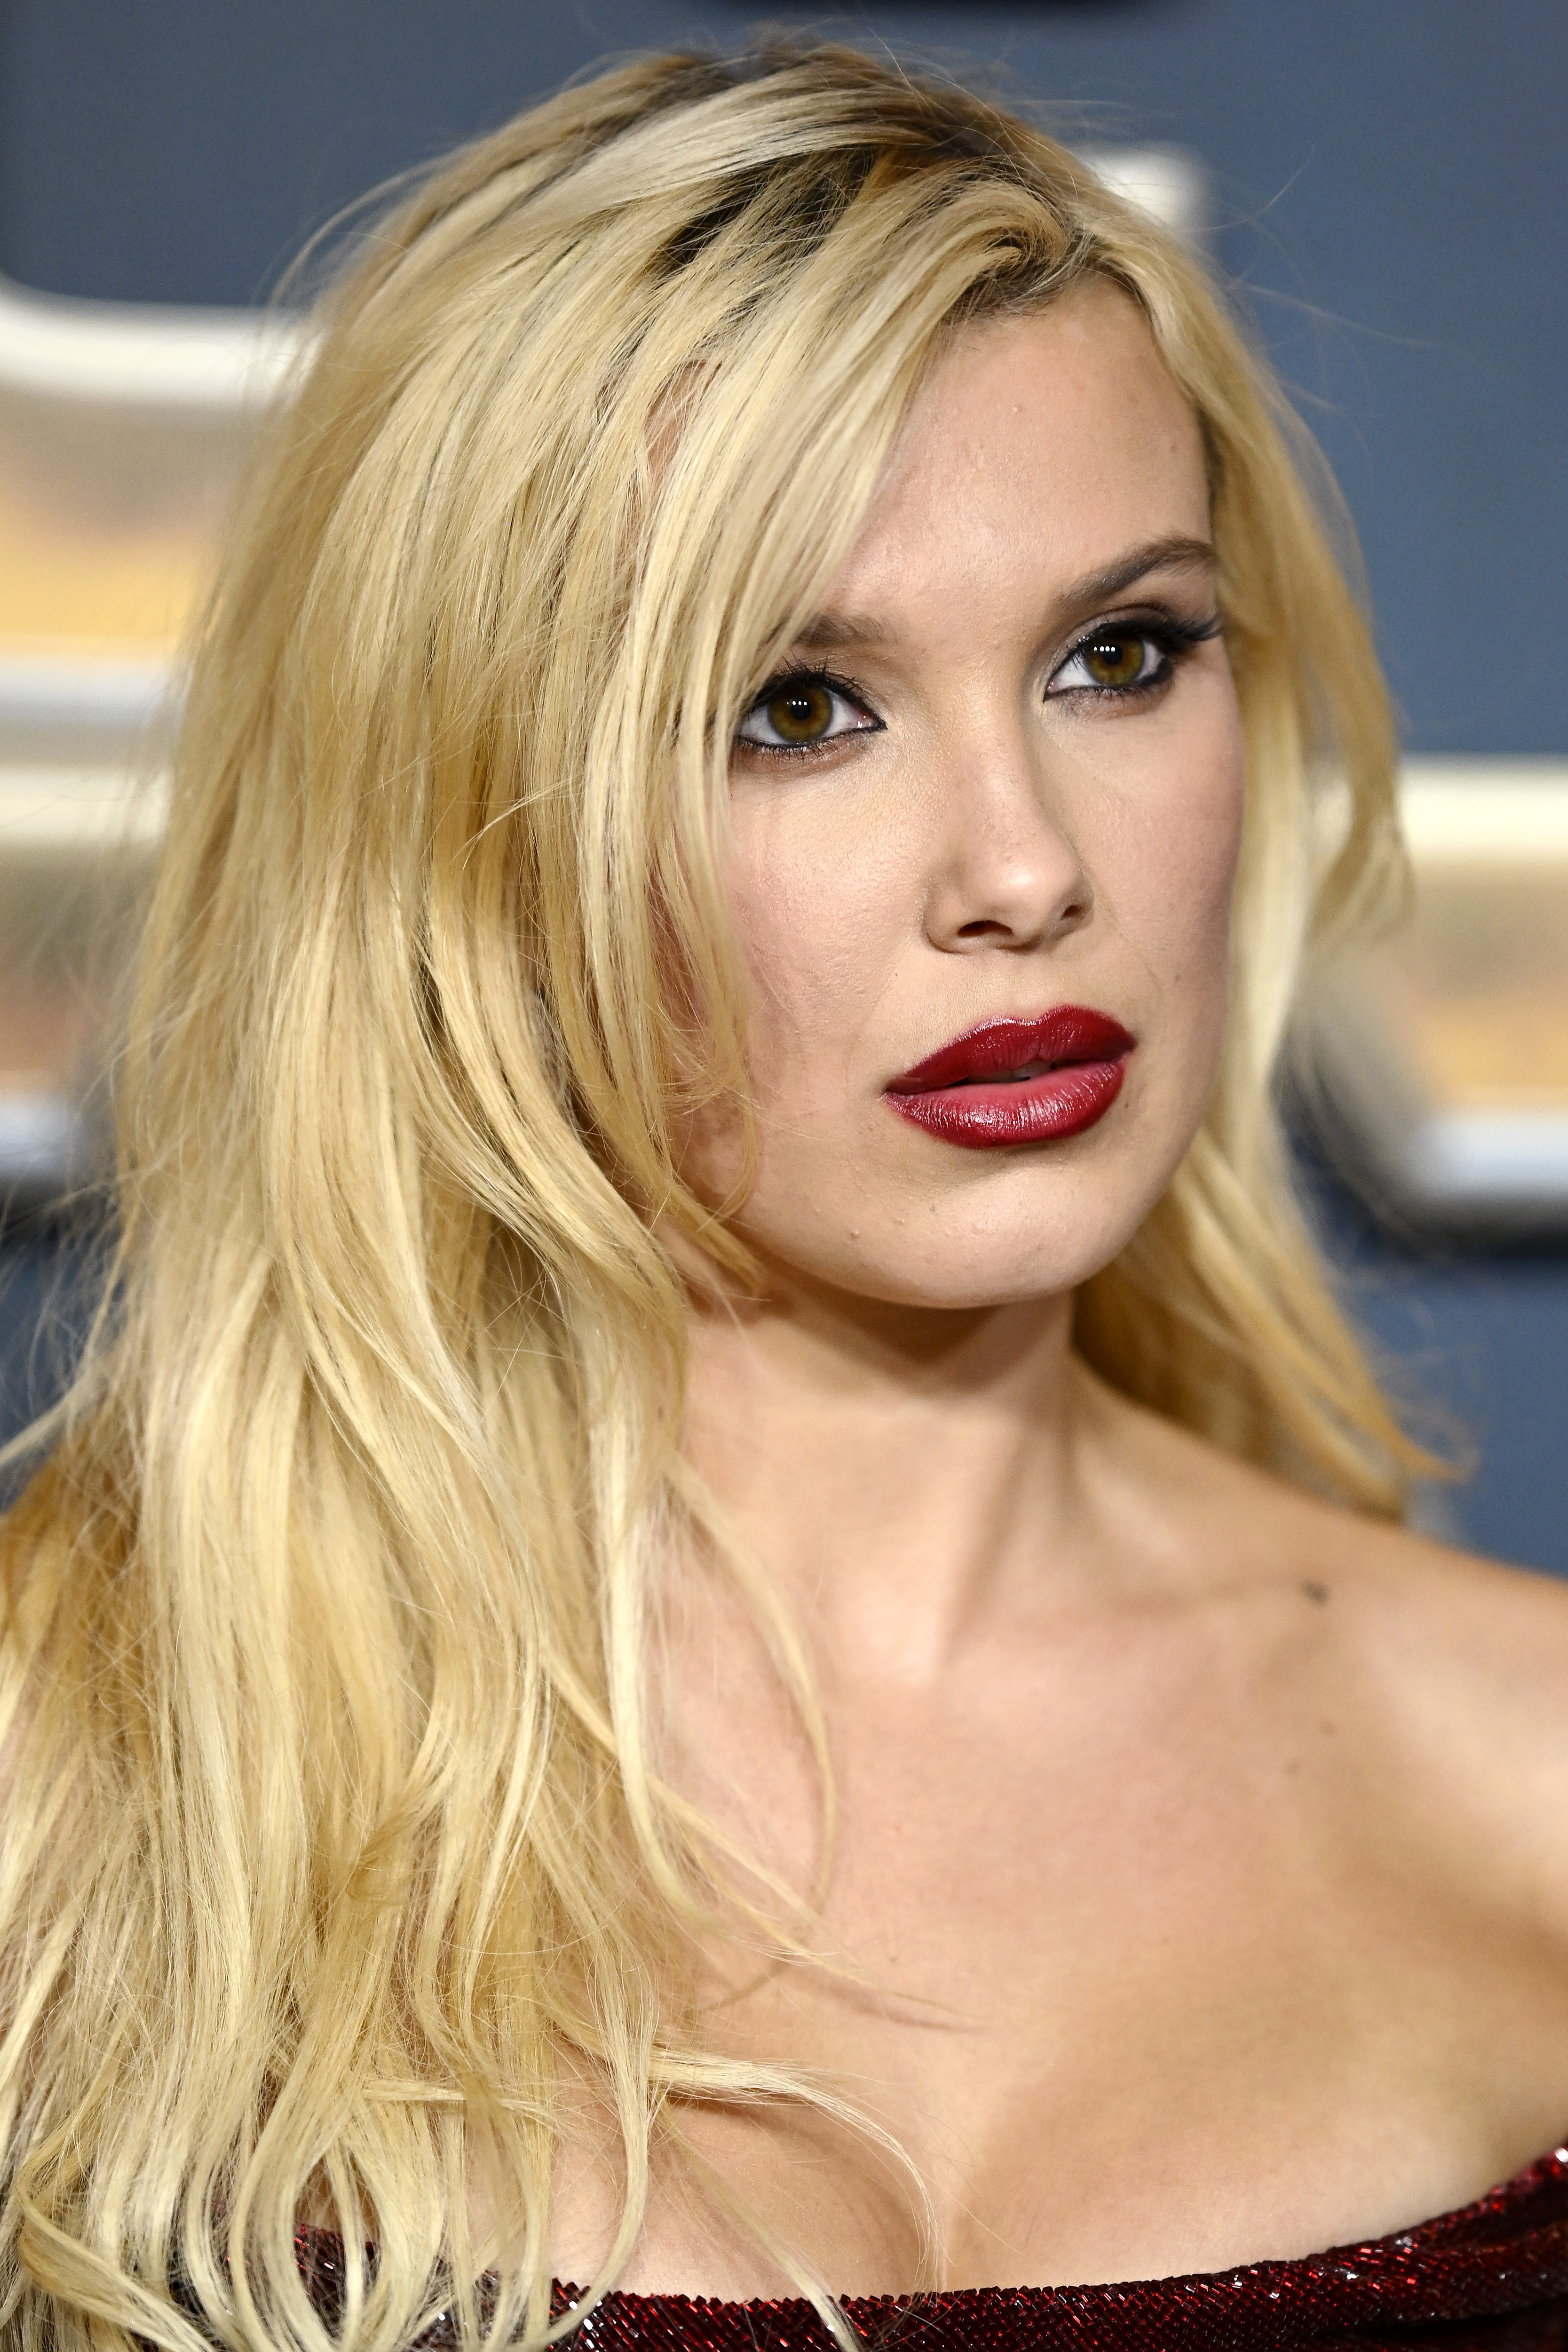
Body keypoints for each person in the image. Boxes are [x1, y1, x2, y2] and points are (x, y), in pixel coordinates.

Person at [5, 40, 1568, 2352]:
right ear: (461, 835)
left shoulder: (1532, 1768)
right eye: (794, 707)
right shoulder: (69, 1768)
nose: (1028, 869)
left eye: (1120, 653)